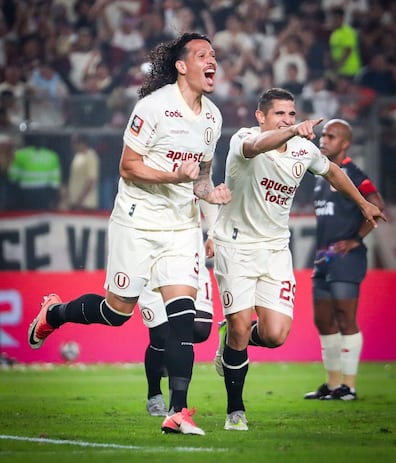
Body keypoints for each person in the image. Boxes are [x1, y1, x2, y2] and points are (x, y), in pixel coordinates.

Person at [27, 32, 231, 436]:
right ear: (181, 65)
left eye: (215, 56)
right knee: (116, 312)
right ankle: (54, 313)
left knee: (183, 318)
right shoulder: (153, 108)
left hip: (180, 227)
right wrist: (176, 175)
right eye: (203, 55)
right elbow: (128, 166)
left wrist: (211, 191)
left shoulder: (212, 117)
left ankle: (178, 411)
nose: (213, 61)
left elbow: (201, 176)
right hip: (136, 222)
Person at [212, 88, 386, 431]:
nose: (288, 120)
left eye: (292, 115)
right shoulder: (244, 139)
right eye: (280, 114)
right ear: (261, 116)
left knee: (275, 335)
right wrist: (290, 132)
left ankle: (233, 339)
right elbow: (257, 147)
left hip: (276, 249)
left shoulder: (304, 150)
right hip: (236, 246)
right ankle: (236, 411)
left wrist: (363, 203)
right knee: (241, 325)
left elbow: (334, 172)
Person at [304, 119, 385, 401]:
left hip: (346, 258)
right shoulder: (322, 173)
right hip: (324, 257)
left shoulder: (353, 172)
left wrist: (355, 239)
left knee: (345, 318)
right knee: (323, 320)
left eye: (331, 136)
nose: (323, 140)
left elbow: (377, 204)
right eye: (323, 135)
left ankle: (348, 386)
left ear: (345, 143)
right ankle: (332, 383)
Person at [140, 232, 215, 417]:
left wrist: (212, 232)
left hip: (190, 258)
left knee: (200, 329)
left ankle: (172, 358)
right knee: (162, 335)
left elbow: (211, 203)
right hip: (154, 260)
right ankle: (156, 395)